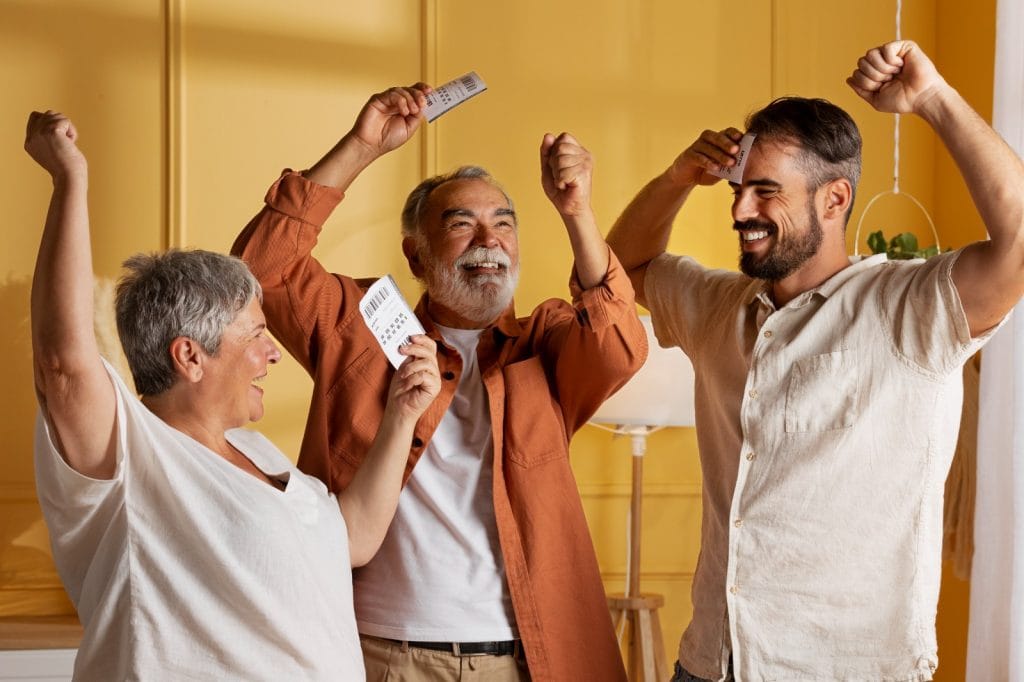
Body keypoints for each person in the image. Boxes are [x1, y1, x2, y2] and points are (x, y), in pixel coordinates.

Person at [605, 40, 1024, 681]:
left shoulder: (910, 309)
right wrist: (676, 180)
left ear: (834, 200)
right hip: (711, 664)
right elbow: (622, 271)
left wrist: (933, 98)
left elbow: (1019, 243)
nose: (741, 210)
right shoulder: (719, 305)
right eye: (738, 190)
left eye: (765, 192)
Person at [231, 84, 646, 682]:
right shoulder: (360, 327)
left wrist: (577, 210)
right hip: (380, 654)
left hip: (526, 657)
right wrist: (361, 146)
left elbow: (619, 344)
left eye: (504, 224)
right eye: (462, 224)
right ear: (417, 256)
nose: (489, 240)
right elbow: (260, 271)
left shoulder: (548, 343)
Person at [26, 110, 441, 681]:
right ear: (190, 356)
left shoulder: (260, 454)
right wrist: (69, 180)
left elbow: (353, 539)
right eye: (256, 336)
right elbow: (63, 366)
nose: (274, 354)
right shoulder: (131, 455)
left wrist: (402, 414)